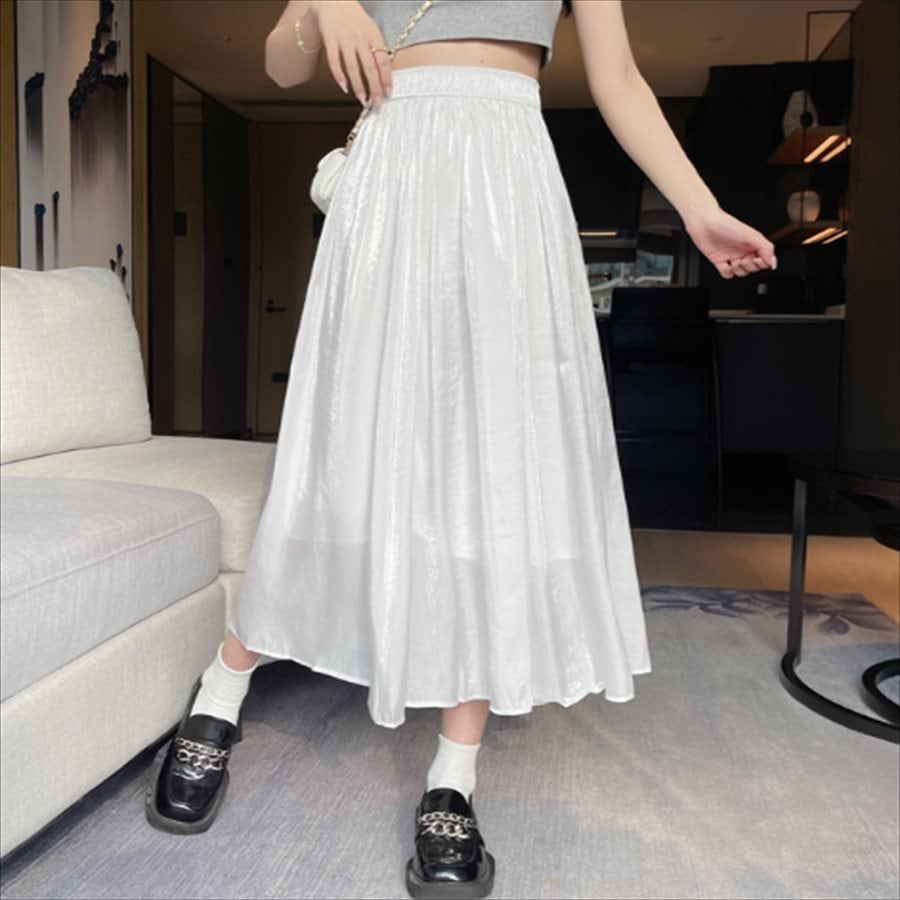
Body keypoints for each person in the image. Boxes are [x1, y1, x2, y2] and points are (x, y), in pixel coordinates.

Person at [145, 2, 777, 898]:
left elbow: (619, 78)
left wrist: (699, 208)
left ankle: (455, 774)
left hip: (510, 185)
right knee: (339, 454)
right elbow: (283, 65)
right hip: (392, 180)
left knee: (496, 464)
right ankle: (221, 692)